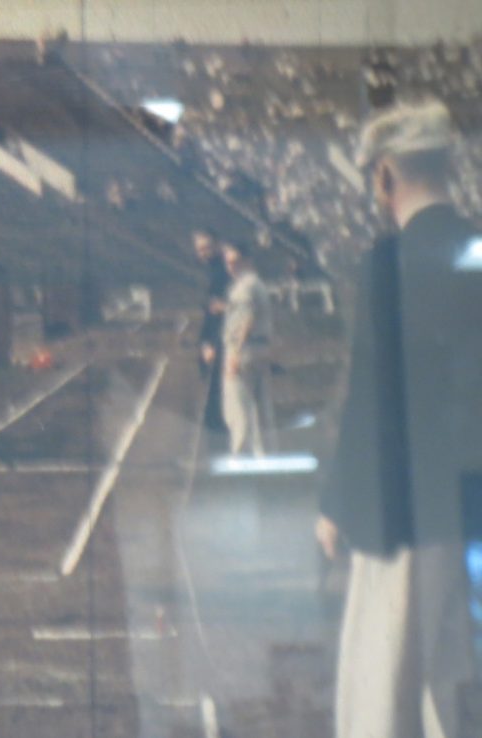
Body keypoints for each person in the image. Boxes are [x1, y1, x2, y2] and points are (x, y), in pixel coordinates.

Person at [316, 99, 477, 738]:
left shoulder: (387, 263)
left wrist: (336, 503)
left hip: (403, 510)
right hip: (468, 502)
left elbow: (375, 398)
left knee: (378, 685)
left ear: (384, 176)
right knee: (453, 676)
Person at [220, 239, 275, 456]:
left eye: (235, 262)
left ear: (247, 261)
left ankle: (240, 457)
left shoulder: (245, 286)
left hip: (244, 351)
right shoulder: (257, 283)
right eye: (228, 263)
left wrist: (234, 354)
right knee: (262, 409)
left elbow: (246, 319)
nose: (231, 267)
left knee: (239, 410)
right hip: (260, 349)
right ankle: (267, 456)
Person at [194, 228, 230, 435]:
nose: (202, 253)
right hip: (212, 336)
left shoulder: (222, 272)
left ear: (217, 245)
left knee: (218, 399)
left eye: (206, 248)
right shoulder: (211, 270)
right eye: (199, 249)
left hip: (221, 339)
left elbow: (221, 312)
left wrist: (211, 343)